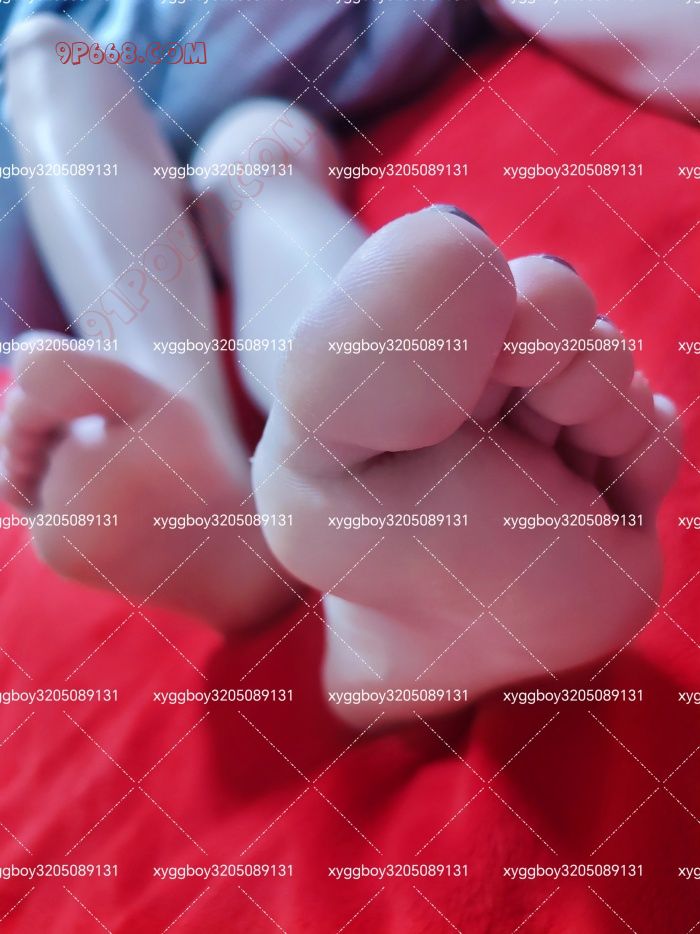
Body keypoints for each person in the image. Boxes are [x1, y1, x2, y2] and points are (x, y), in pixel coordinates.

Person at [0, 8, 683, 724]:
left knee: (247, 145)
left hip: (253, 125)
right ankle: (331, 464)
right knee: (59, 57)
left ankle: (290, 475)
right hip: (112, 156)